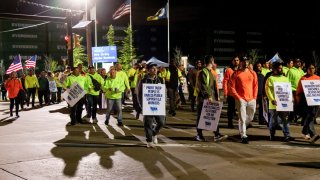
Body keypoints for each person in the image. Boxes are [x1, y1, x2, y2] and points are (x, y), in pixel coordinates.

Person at [194, 55, 228, 142]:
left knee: (213, 116)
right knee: (201, 117)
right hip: (204, 98)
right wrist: (209, 96)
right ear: (212, 62)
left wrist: (216, 97)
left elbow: (212, 86)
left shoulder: (210, 72)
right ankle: (199, 135)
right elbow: (204, 86)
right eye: (213, 61)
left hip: (210, 98)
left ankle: (216, 134)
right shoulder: (204, 72)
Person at [230, 56, 258, 144]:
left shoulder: (253, 73)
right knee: (242, 117)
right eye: (244, 61)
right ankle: (244, 135)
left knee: (251, 116)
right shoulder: (236, 74)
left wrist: (254, 97)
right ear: (240, 63)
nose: (245, 63)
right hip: (241, 99)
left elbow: (255, 86)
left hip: (251, 99)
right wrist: (238, 97)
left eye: (247, 61)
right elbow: (232, 87)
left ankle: (242, 127)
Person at [137, 63, 165, 148]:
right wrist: (141, 105)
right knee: (148, 123)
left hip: (158, 106)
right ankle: (149, 140)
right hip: (147, 106)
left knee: (161, 122)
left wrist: (164, 103)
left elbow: (164, 92)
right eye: (153, 68)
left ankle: (154, 133)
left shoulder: (160, 79)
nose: (155, 70)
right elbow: (138, 93)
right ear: (148, 70)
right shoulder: (143, 80)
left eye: (156, 68)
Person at [265, 62, 295, 141]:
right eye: (279, 68)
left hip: (284, 103)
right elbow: (268, 90)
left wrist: (291, 97)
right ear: (274, 69)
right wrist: (272, 99)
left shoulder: (285, 78)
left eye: (281, 68)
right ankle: (272, 134)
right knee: (273, 120)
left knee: (285, 120)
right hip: (274, 104)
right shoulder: (270, 78)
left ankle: (287, 135)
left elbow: (288, 89)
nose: (281, 69)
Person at [296, 63, 320, 143]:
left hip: (316, 101)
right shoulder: (303, 78)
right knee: (309, 116)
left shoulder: (318, 78)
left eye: (313, 68)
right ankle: (313, 134)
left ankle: (305, 131)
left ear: (315, 69)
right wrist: (298, 100)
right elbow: (298, 90)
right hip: (305, 101)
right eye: (310, 68)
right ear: (307, 69)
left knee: (311, 116)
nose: (311, 69)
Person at [222, 55, 240, 128]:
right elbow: (225, 82)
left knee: (240, 109)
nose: (236, 62)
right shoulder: (229, 70)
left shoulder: (240, 70)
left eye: (237, 60)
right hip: (231, 93)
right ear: (232, 61)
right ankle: (230, 123)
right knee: (230, 109)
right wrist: (225, 93)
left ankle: (242, 124)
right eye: (235, 60)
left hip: (239, 93)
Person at [287, 58, 305, 124]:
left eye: (299, 62)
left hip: (301, 91)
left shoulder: (302, 71)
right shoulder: (290, 71)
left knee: (300, 105)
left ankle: (298, 118)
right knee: (293, 105)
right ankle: (290, 118)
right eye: (297, 62)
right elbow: (287, 81)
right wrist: (289, 91)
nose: (299, 63)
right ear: (294, 63)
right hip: (293, 90)